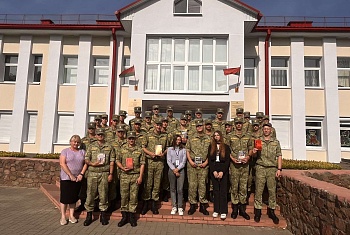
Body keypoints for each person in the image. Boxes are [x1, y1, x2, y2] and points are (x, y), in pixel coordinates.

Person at [84, 128, 115, 226]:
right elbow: (86, 159)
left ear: (104, 135)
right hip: (92, 173)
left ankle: (103, 215)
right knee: (90, 195)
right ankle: (89, 216)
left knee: (103, 195)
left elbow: (112, 161)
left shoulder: (109, 147)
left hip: (104, 173)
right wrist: (93, 164)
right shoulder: (91, 146)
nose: (100, 136)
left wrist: (110, 174)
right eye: (98, 134)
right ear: (96, 136)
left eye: (102, 134)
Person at [252, 123, 282, 225]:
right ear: (262, 130)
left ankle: (272, 211)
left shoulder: (275, 142)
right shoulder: (258, 140)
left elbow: (279, 155)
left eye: (267, 129)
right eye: (264, 129)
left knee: (271, 190)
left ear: (271, 130)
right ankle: (258, 211)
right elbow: (254, 155)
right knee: (259, 190)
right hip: (260, 167)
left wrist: (279, 169)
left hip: (272, 169)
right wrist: (254, 151)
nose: (266, 130)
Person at [116, 131, 145, 227]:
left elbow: (142, 164)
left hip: (135, 175)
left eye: (133, 138)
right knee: (124, 196)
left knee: (133, 196)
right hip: (124, 175)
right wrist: (121, 167)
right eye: (130, 138)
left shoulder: (139, 149)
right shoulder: (122, 148)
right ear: (127, 139)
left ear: (135, 139)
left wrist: (140, 176)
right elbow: (117, 160)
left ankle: (132, 216)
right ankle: (124, 216)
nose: (131, 140)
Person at [141, 118, 168, 215]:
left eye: (160, 125)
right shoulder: (148, 135)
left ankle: (153, 204)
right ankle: (146, 204)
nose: (159, 126)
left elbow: (168, 147)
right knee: (148, 184)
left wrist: (163, 153)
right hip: (150, 161)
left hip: (159, 162)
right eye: (157, 125)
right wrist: (151, 153)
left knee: (157, 184)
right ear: (154, 125)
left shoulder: (165, 136)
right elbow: (143, 147)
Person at [228, 117, 252, 220]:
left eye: (240, 123)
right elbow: (227, 150)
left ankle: (242, 209)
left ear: (242, 125)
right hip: (234, 165)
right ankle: (235, 209)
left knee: (243, 187)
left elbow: (250, 149)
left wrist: (248, 157)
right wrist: (232, 159)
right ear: (234, 125)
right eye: (237, 123)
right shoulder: (230, 136)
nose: (238, 125)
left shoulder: (248, 136)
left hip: (244, 165)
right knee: (234, 186)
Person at [59, 135, 87, 225]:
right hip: (66, 178)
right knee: (64, 198)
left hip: (77, 179)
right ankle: (63, 216)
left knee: (73, 198)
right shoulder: (65, 151)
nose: (76, 143)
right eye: (74, 141)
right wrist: (70, 175)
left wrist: (81, 174)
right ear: (70, 142)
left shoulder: (82, 152)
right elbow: (62, 163)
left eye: (78, 142)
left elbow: (86, 164)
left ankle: (71, 215)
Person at [186, 119, 211, 215]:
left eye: (201, 126)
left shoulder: (208, 138)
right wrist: (190, 161)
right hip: (192, 165)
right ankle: (192, 204)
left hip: (203, 165)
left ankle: (202, 205)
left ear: (203, 126)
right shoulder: (191, 138)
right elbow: (187, 150)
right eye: (198, 126)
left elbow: (211, 153)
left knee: (202, 186)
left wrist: (206, 163)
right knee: (192, 185)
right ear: (196, 127)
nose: (199, 127)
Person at [207, 131, 231, 219]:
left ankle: (223, 211)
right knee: (216, 191)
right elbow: (210, 160)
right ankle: (216, 210)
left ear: (221, 136)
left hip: (223, 169)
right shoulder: (211, 147)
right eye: (215, 135)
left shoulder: (226, 147)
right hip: (214, 169)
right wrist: (213, 171)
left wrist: (222, 172)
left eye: (218, 135)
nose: (216, 137)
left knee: (223, 191)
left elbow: (228, 161)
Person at [167, 135, 187, 216]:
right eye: (177, 140)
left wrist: (178, 169)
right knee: (172, 189)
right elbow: (168, 160)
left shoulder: (184, 150)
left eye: (179, 140)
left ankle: (180, 207)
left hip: (181, 170)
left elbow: (184, 161)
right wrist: (174, 169)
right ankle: (174, 206)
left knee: (180, 189)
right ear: (174, 140)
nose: (178, 141)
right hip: (172, 170)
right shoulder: (170, 149)